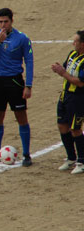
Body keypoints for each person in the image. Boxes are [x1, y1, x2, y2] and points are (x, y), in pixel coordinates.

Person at [0, 8, 34, 166]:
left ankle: (26, 154)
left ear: (12, 21)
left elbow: (29, 61)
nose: (3, 25)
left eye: (6, 21)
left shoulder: (22, 38)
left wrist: (28, 85)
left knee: (21, 116)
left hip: (14, 82)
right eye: (0, 22)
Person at [51, 30, 84, 175]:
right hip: (65, 96)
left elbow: (80, 82)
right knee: (62, 126)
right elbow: (66, 69)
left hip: (78, 98)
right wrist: (60, 69)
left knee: (75, 128)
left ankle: (82, 161)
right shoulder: (72, 54)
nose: (73, 43)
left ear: (82, 44)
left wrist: (62, 73)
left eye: (76, 41)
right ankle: (71, 157)